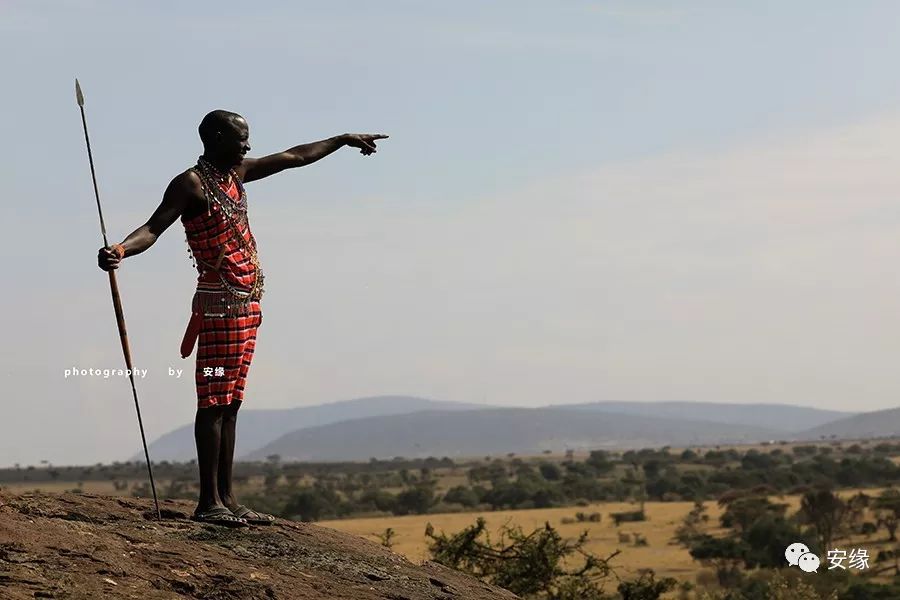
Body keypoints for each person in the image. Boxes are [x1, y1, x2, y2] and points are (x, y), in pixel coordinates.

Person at [98, 110, 387, 526]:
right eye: (240, 139)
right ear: (214, 137)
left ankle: (228, 497)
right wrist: (121, 249)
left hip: (249, 304)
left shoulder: (237, 173)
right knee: (213, 400)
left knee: (231, 402)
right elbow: (153, 227)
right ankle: (207, 502)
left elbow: (295, 157)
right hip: (218, 307)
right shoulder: (191, 184)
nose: (248, 146)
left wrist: (341, 139)